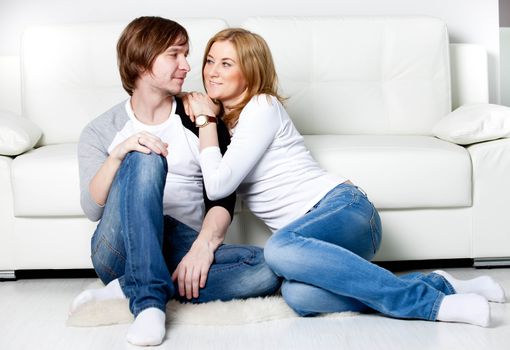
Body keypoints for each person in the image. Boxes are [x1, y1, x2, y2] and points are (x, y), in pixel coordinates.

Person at [184, 28, 506, 327]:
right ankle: (440, 284)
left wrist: (204, 119)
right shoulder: (230, 127)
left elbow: (218, 184)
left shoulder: (262, 106)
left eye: (226, 63)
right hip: (313, 245)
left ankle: (431, 305)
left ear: (251, 70)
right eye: (210, 61)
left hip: (344, 210)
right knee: (299, 296)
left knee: (277, 248)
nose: (212, 71)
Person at [71, 18, 280, 346]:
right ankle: (150, 304)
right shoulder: (101, 129)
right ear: (141, 61)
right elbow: (92, 208)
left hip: (181, 247)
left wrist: (202, 248)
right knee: (145, 155)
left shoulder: (199, 116)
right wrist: (118, 155)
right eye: (174, 55)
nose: (187, 65)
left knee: (267, 268)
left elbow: (221, 200)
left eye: (187, 54)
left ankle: (130, 285)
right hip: (117, 249)